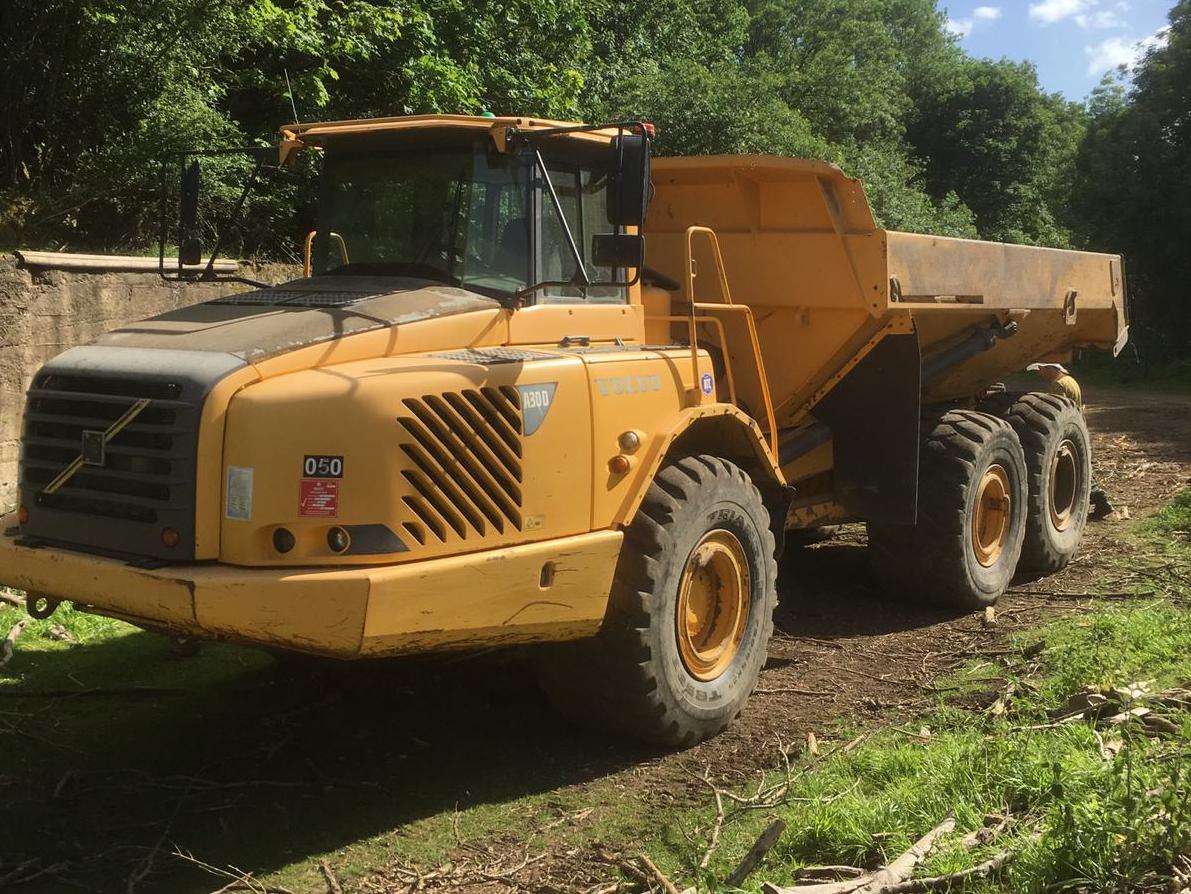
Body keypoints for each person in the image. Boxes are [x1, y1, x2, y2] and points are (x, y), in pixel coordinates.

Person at [1026, 362, 1114, 519]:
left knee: (1076, 471)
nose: (1040, 373)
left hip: (1066, 428)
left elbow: (1055, 410)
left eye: (1041, 369)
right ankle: (1101, 501)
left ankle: (1100, 499)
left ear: (1051, 368)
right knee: (1082, 467)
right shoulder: (1071, 381)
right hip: (1076, 424)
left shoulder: (1058, 385)